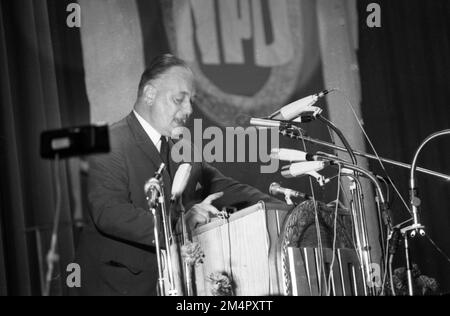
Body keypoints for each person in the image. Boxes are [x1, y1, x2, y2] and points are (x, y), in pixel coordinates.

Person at [74, 54, 287, 296]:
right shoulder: (109, 142)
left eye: (191, 101)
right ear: (150, 94)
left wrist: (288, 212)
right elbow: (110, 213)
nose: (188, 110)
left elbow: (225, 187)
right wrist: (180, 223)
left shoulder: (181, 149)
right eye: (179, 100)